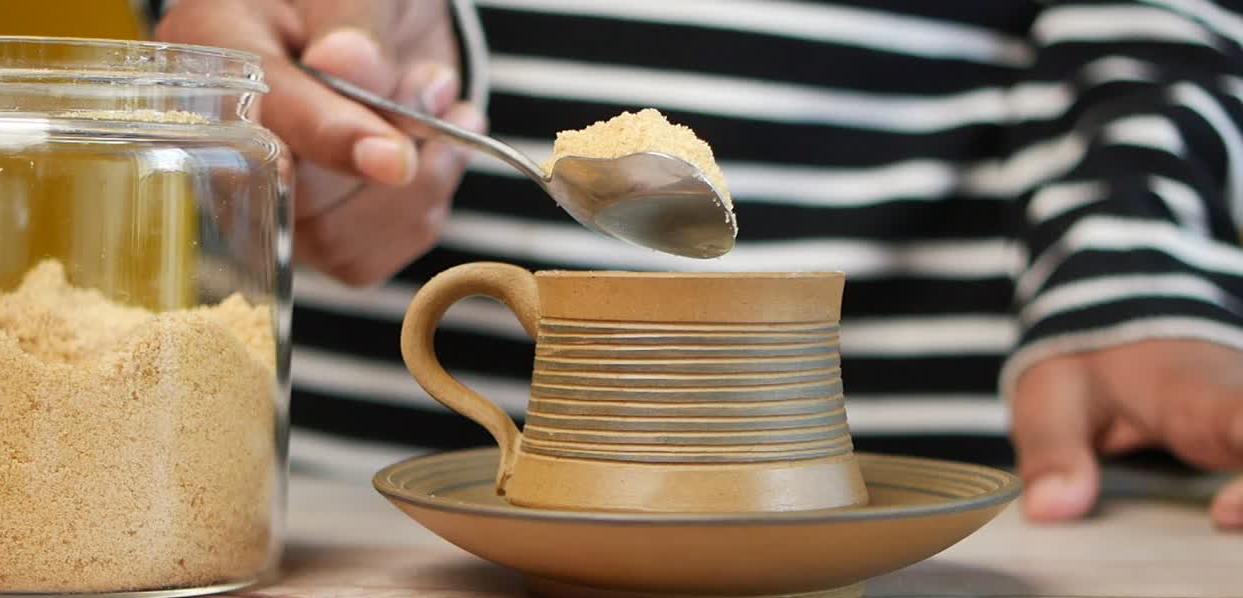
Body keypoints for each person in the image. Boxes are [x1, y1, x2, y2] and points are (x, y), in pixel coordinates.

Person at [156, 0, 1243, 530]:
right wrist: (297, 39)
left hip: (936, 515)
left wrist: (1129, 257)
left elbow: (1162, 23)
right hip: (373, 532)